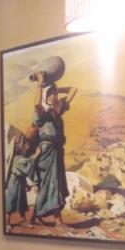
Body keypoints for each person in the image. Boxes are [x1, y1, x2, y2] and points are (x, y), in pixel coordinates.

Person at [30, 71, 77, 227]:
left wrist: (54, 87)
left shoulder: (57, 110)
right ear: (44, 95)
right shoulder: (42, 113)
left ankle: (35, 216)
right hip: (46, 153)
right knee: (52, 183)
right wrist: (41, 84)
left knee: (50, 184)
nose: (52, 97)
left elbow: (74, 89)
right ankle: (58, 220)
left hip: (56, 151)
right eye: (49, 94)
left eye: (54, 94)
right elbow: (36, 104)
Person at [4, 126, 39, 232]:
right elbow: (28, 165)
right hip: (14, 183)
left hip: (20, 181)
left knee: (22, 201)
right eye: (25, 147)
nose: (27, 148)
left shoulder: (20, 158)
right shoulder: (17, 159)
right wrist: (36, 155)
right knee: (11, 200)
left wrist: (27, 184)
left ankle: (23, 220)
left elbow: (24, 171)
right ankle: (7, 221)